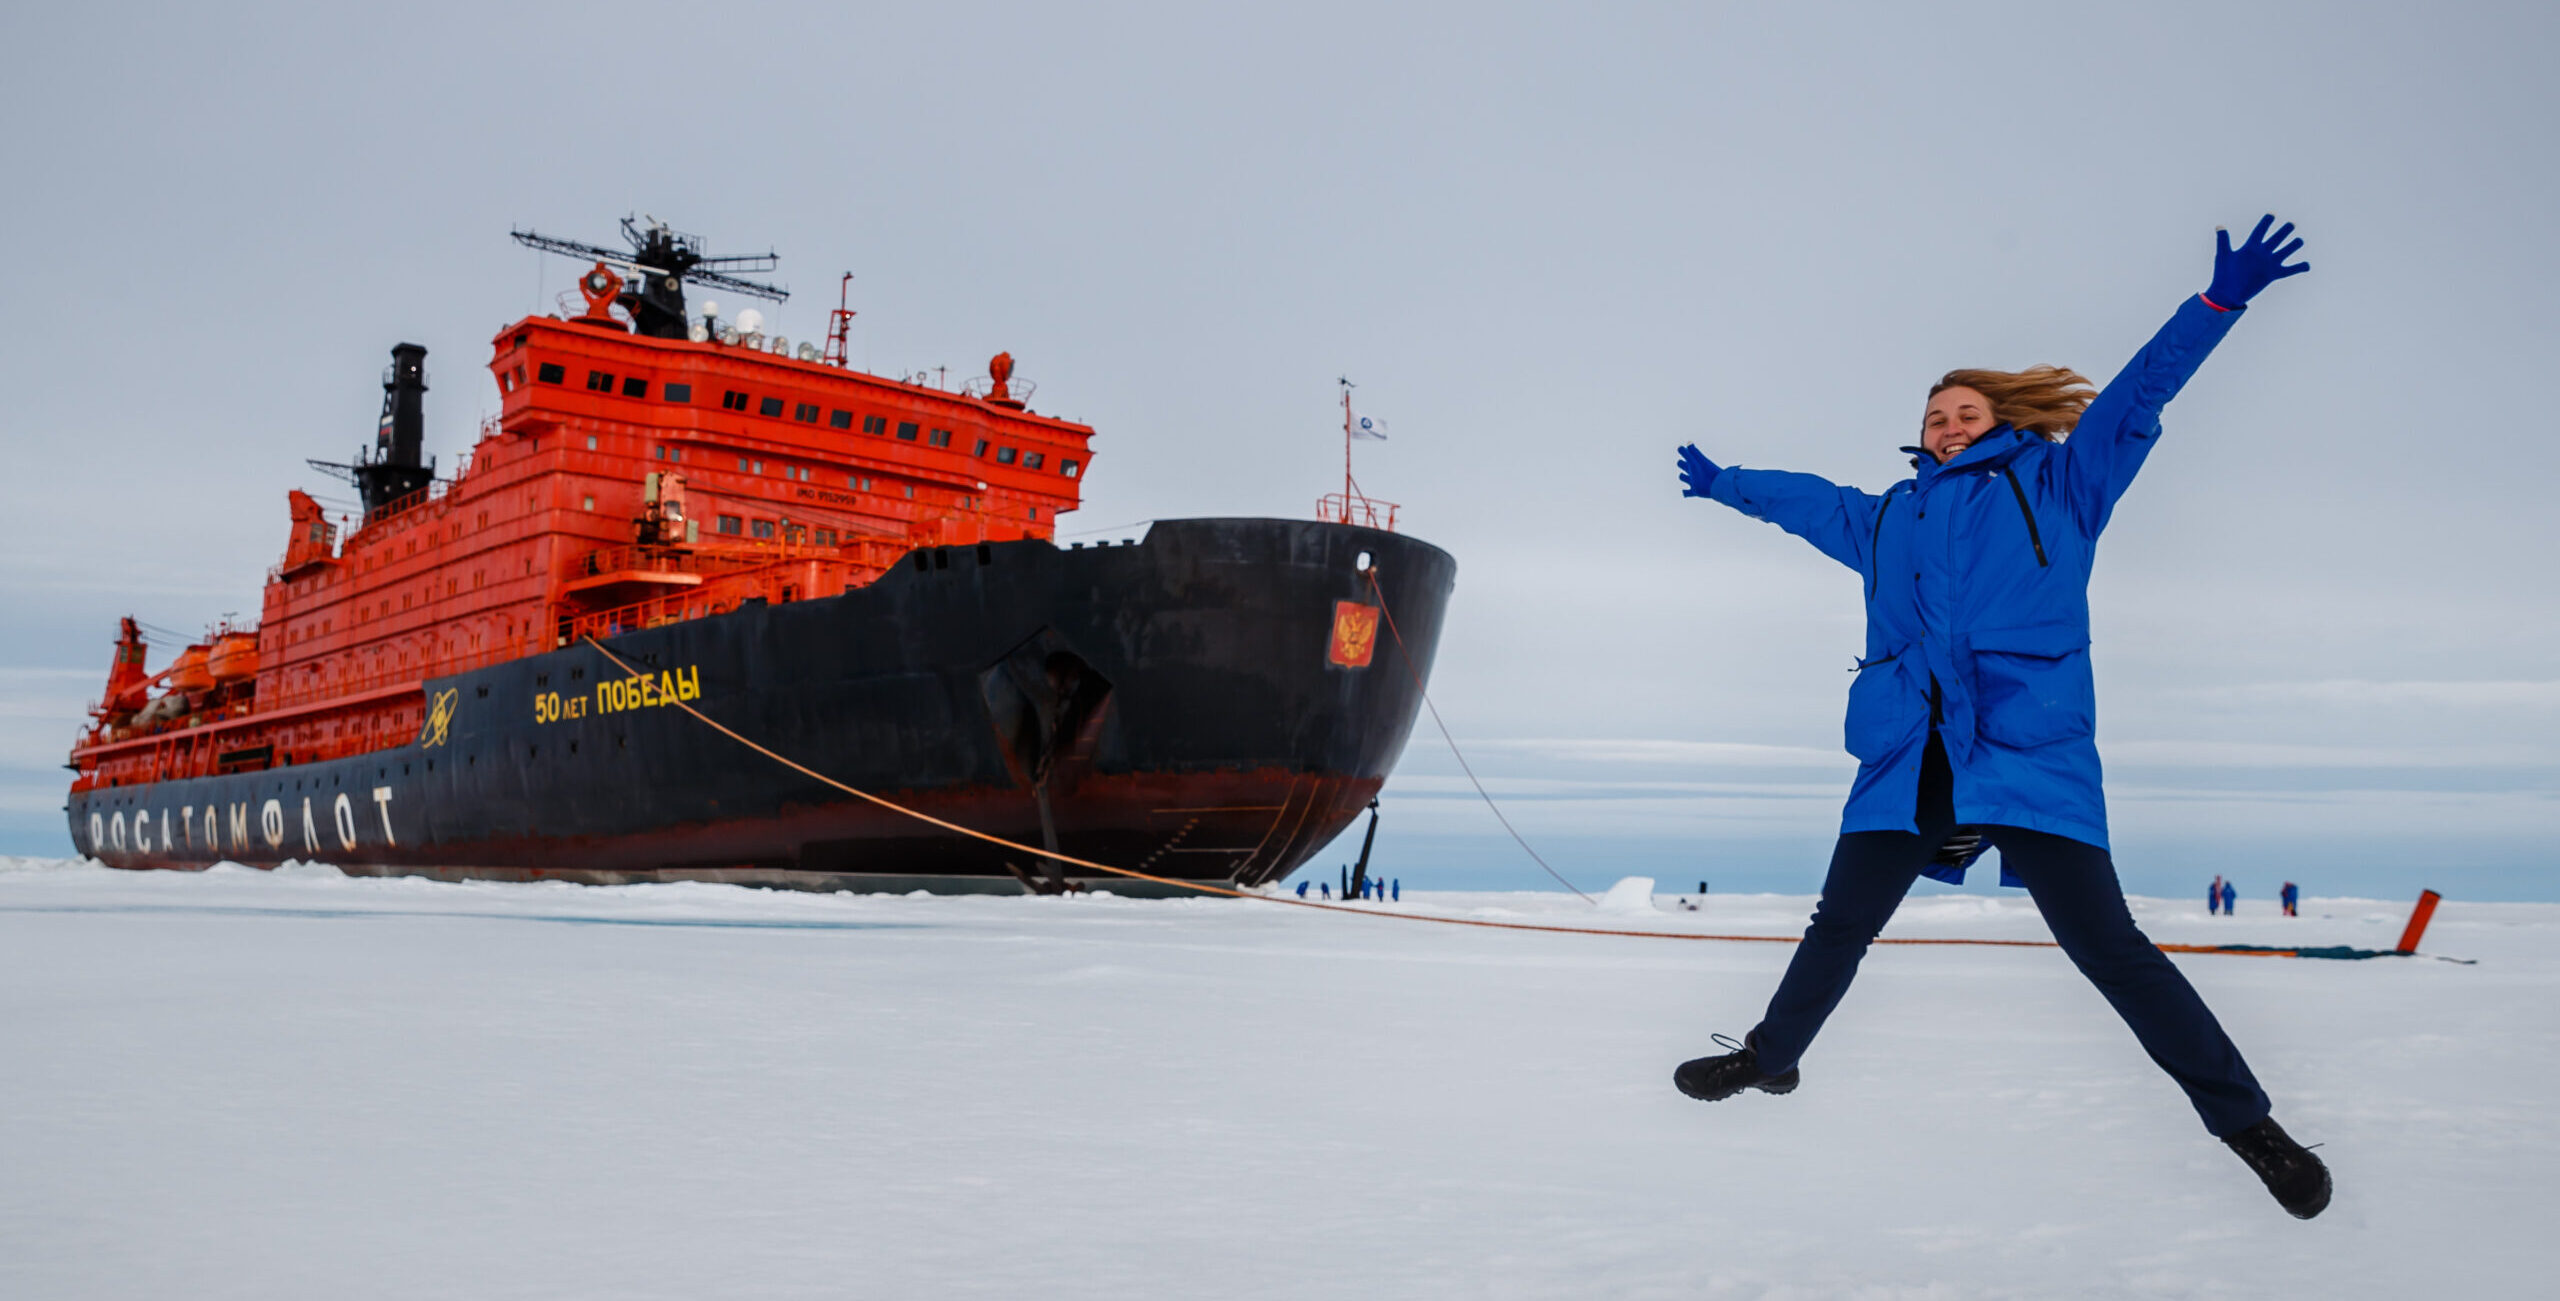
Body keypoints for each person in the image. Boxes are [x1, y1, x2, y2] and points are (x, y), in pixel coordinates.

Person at [1666, 217, 2329, 1219]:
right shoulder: (1890, 515)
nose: (1946, 424)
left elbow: (2138, 396)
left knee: (2109, 948)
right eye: (1933, 415)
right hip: (1909, 750)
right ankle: (1771, 1057)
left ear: (2002, 416)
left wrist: (2215, 305)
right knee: (1840, 920)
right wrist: (1727, 486)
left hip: (2025, 746)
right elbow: (1810, 502)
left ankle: (2251, 1127)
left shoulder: (2061, 484)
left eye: (1964, 410)